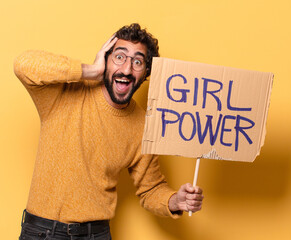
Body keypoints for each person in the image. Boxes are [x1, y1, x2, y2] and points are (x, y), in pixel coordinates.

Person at [14, 23, 204, 240]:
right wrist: (91, 70)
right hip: (41, 232)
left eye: (138, 62)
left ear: (146, 74)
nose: (126, 69)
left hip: (95, 234)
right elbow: (23, 64)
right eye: (120, 57)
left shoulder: (143, 126)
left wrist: (175, 200)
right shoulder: (64, 93)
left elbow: (151, 190)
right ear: (106, 59)